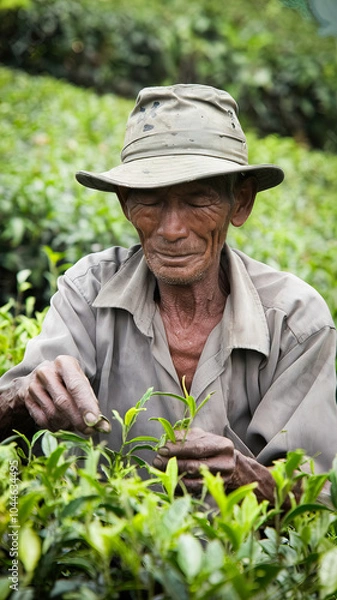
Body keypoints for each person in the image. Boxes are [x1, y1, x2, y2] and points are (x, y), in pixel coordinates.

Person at [0, 84, 336, 505]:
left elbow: (319, 499)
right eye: (151, 201)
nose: (172, 230)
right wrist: (25, 396)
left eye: (198, 200)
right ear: (125, 203)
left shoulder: (296, 321)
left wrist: (249, 478)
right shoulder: (87, 290)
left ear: (241, 202)